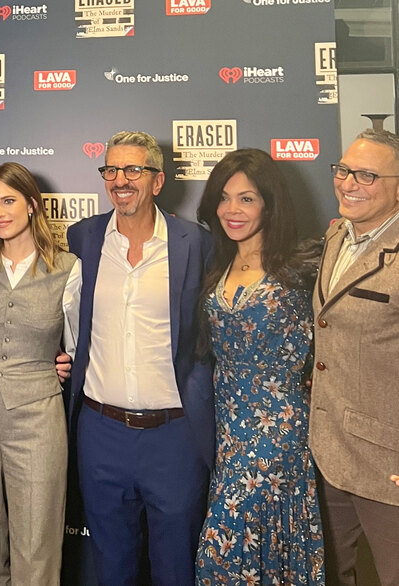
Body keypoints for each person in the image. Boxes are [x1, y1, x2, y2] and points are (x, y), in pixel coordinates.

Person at [65, 131, 214, 585]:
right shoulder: (82, 238)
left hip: (173, 436)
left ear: (157, 180)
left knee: (176, 568)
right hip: (100, 432)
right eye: (111, 170)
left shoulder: (196, 243)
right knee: (111, 566)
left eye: (133, 170)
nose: (120, 180)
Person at [193, 149, 324, 584]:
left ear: (269, 202)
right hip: (227, 431)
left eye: (247, 199)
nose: (233, 209)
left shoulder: (303, 266)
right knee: (246, 555)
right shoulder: (215, 263)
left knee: (223, 548)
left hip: (278, 434)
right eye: (225, 197)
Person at [0, 161, 80, 585]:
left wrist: (65, 362)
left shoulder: (68, 268)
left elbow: (78, 347)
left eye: (9, 201)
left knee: (37, 541)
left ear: (32, 205)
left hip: (38, 414)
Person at [310, 128, 399, 586]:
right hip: (328, 452)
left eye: (366, 175)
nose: (348, 183)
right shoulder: (337, 236)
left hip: (389, 462)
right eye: (344, 170)